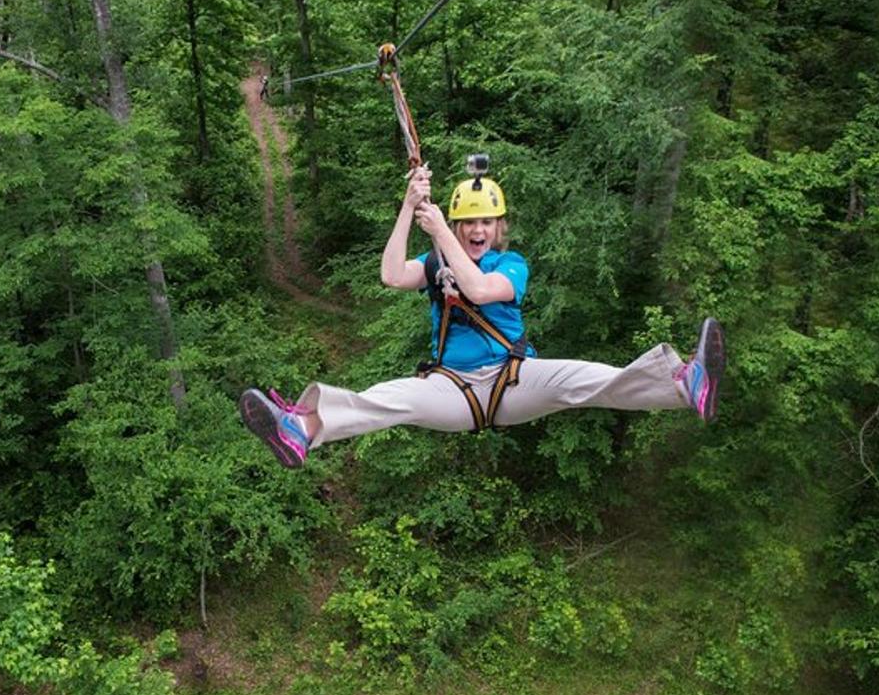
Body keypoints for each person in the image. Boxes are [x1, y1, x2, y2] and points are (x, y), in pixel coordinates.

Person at [238, 166, 726, 469]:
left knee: (586, 379)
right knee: (386, 399)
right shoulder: (434, 262)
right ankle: (300, 430)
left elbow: (477, 288)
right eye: (467, 222)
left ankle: (686, 384)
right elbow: (389, 274)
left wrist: (440, 236)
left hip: (514, 380)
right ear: (458, 224)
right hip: (451, 388)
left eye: (485, 222)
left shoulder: (512, 266)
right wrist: (409, 209)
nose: (476, 230)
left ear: (498, 227)